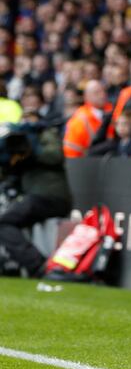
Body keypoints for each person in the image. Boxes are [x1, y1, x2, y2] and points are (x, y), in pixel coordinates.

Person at [0, 113, 72, 277]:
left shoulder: (46, 134)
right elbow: (9, 171)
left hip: (51, 197)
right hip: (35, 197)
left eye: (30, 120)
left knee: (4, 223)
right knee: (6, 221)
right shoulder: (12, 142)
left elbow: (55, 156)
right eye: (23, 120)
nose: (27, 124)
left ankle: (37, 265)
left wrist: (31, 150)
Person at [62, 80, 112, 158]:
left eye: (103, 91)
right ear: (86, 96)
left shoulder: (112, 110)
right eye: (96, 93)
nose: (102, 95)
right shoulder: (80, 118)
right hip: (89, 163)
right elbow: (70, 148)